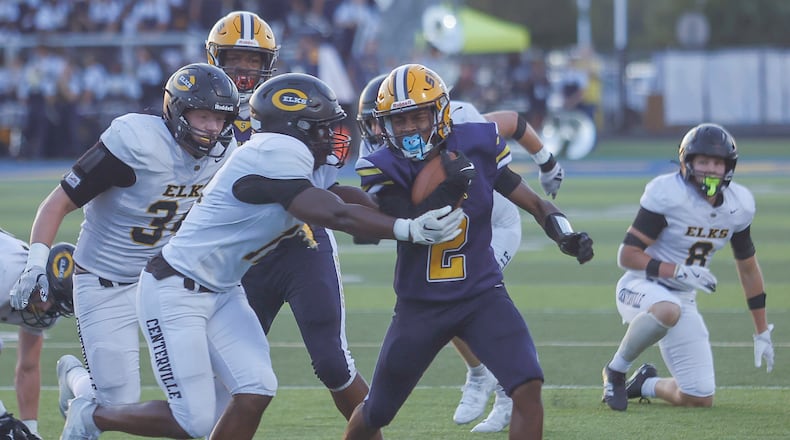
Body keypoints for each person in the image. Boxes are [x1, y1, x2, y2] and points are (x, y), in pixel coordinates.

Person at [58, 72, 464, 439]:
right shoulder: (275, 152)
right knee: (194, 421)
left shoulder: (283, 153)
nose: (332, 136)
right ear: (296, 127)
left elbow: (336, 196)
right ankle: (93, 416)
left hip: (222, 290)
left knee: (256, 389)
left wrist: (403, 213)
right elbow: (332, 213)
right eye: (322, 127)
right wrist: (405, 229)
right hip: (174, 290)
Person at [346, 63, 594, 440]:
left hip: (482, 295)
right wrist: (444, 189)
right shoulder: (384, 165)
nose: (409, 128)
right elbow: (399, 217)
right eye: (400, 120)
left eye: (418, 116)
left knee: (528, 384)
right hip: (421, 305)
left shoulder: (477, 143)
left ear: (440, 113)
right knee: (376, 411)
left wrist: (565, 235)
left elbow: (535, 203)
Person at [9, 62, 240, 420]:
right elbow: (58, 203)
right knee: (118, 404)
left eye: (220, 118)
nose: (213, 127)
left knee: (224, 376)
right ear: (178, 111)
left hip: (165, 280)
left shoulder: (226, 153)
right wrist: (36, 264)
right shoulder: (134, 142)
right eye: (204, 116)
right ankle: (75, 379)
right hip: (106, 280)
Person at [207, 10, 376, 423]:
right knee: (224, 377)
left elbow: (325, 184)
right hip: (239, 254)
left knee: (334, 363)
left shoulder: (289, 103)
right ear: (215, 59)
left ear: (269, 64)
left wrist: (379, 212)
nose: (244, 70)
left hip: (302, 243)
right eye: (234, 58)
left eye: (253, 60)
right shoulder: (199, 110)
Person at [601, 123, 775, 412]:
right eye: (703, 161)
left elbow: (748, 268)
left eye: (717, 163)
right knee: (668, 309)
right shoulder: (668, 193)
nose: (710, 169)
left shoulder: (739, 205)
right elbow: (627, 256)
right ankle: (616, 371)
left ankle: (644, 384)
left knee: (699, 397)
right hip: (640, 285)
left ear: (728, 167)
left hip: (682, 297)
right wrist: (677, 271)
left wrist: (761, 330)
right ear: (687, 163)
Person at [0, 229, 75, 440]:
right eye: (45, 294)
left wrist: (30, 429)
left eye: (55, 302)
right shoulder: (5, 274)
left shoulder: (49, 311)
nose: (44, 307)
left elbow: (29, 367)